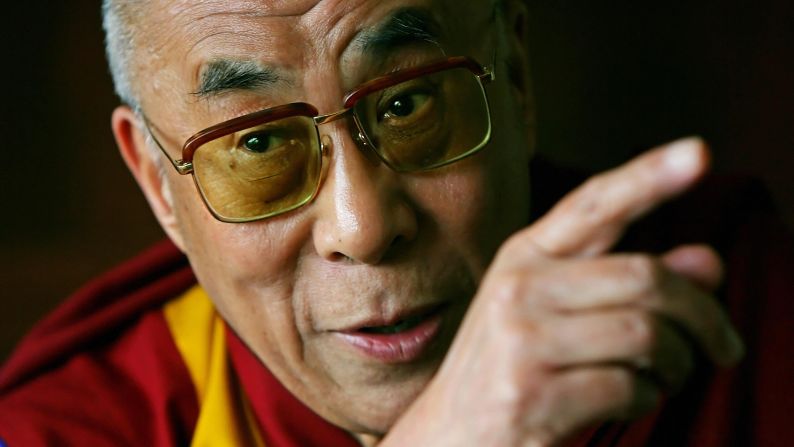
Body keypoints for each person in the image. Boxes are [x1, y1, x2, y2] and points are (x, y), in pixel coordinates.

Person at [1, 0, 792, 445]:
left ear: (513, 78)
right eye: (260, 143)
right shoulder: (82, 430)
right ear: (157, 184)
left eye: (409, 101)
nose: (364, 224)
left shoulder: (732, 301)